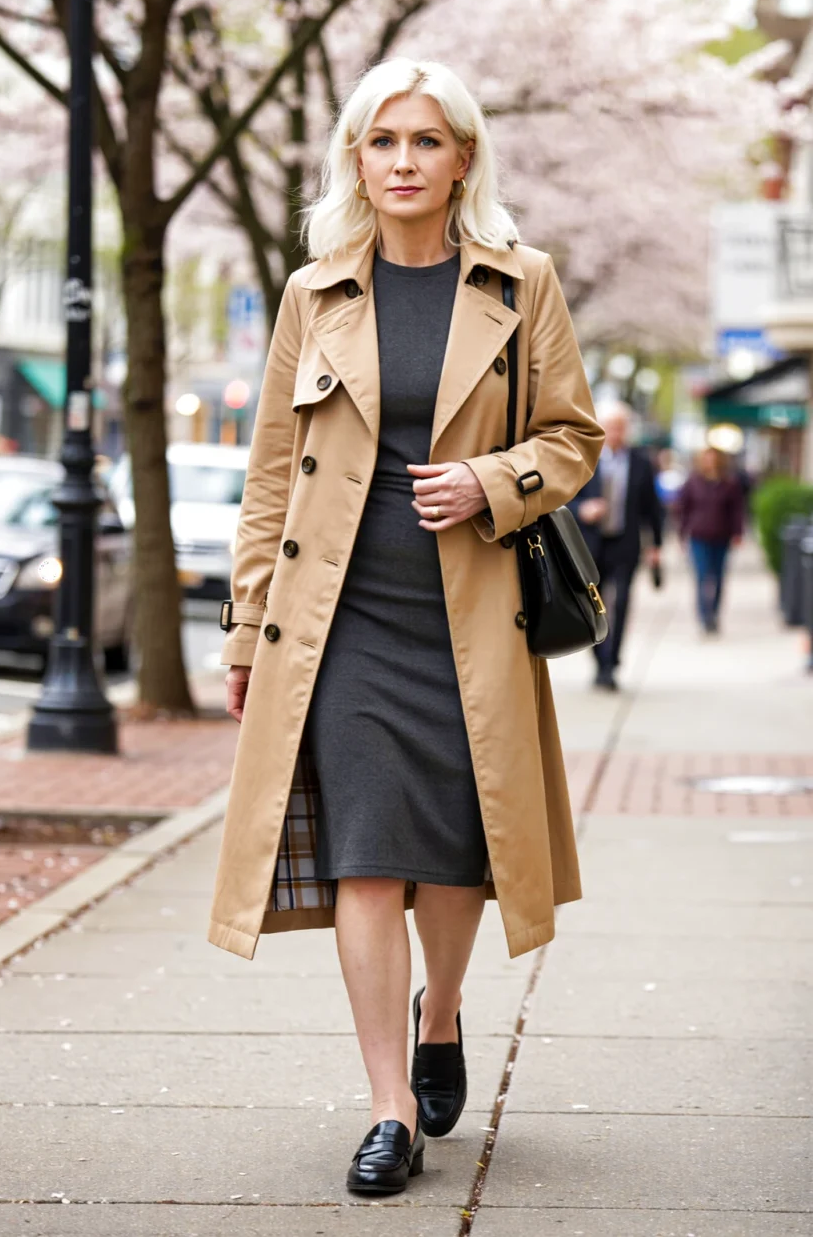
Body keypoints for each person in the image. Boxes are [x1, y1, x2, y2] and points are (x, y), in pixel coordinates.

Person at [208, 58, 603, 1198]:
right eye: (382, 142)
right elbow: (271, 476)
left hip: (471, 615)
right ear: (357, 159)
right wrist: (246, 628)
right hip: (340, 623)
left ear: (463, 159)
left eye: (426, 141)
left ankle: (444, 1010)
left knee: (459, 857)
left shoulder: (521, 283)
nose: (403, 162)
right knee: (369, 861)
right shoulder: (314, 293)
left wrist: (491, 479)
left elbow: (573, 436)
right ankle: (390, 1109)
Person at [571, 403, 664, 691]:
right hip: (590, 544)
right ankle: (599, 659)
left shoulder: (641, 461)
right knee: (592, 606)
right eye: (611, 427)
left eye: (621, 427)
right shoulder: (585, 459)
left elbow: (652, 507)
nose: (616, 433)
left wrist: (656, 545)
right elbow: (562, 499)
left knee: (621, 603)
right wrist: (582, 509)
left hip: (625, 543)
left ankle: (612, 662)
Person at [676, 446, 745, 634]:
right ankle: (704, 616)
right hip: (699, 536)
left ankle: (714, 613)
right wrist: (681, 532)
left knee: (718, 577)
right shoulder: (693, 482)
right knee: (702, 576)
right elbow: (683, 508)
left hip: (722, 536)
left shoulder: (729, 483)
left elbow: (737, 510)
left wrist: (738, 532)